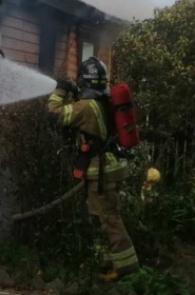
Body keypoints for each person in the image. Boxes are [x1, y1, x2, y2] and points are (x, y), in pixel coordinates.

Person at [47, 56, 140, 281]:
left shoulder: (85, 107)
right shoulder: (104, 100)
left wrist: (60, 90)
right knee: (100, 216)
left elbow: (53, 113)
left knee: (108, 218)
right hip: (111, 167)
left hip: (102, 172)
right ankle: (107, 261)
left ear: (84, 80)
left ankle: (126, 268)